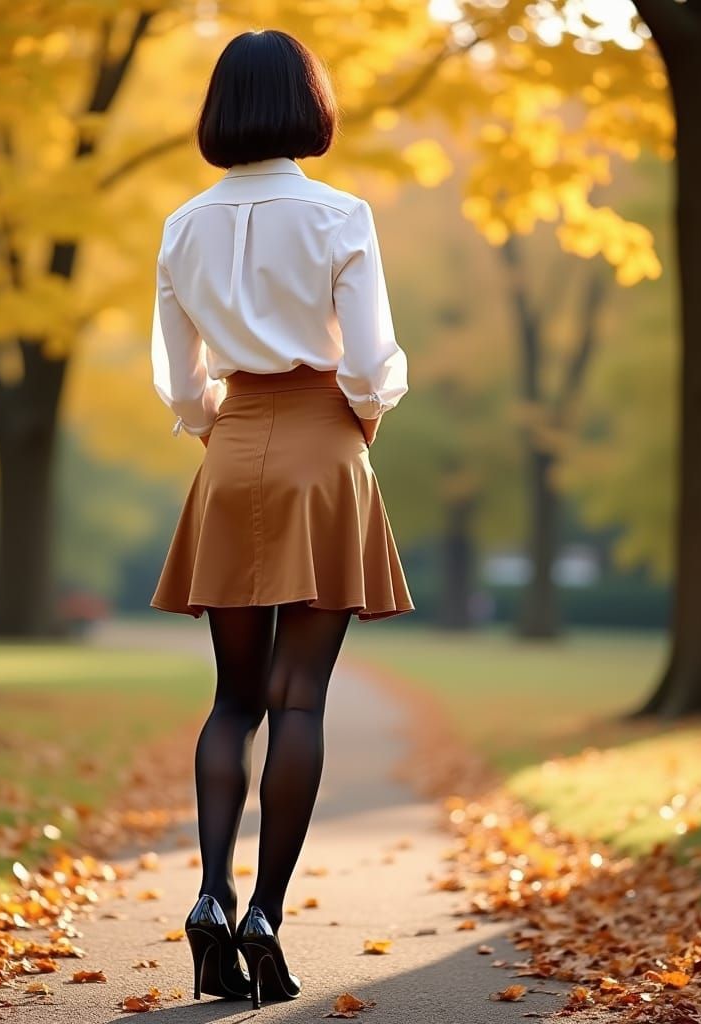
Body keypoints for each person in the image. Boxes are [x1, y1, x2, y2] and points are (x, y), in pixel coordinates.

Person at [148, 27, 414, 1009]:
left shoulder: (181, 226)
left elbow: (180, 380)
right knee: (298, 699)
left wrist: (215, 429)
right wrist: (359, 425)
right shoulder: (341, 215)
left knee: (232, 698)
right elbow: (370, 360)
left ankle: (209, 896)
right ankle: (264, 911)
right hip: (322, 440)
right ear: (308, 104)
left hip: (229, 451)